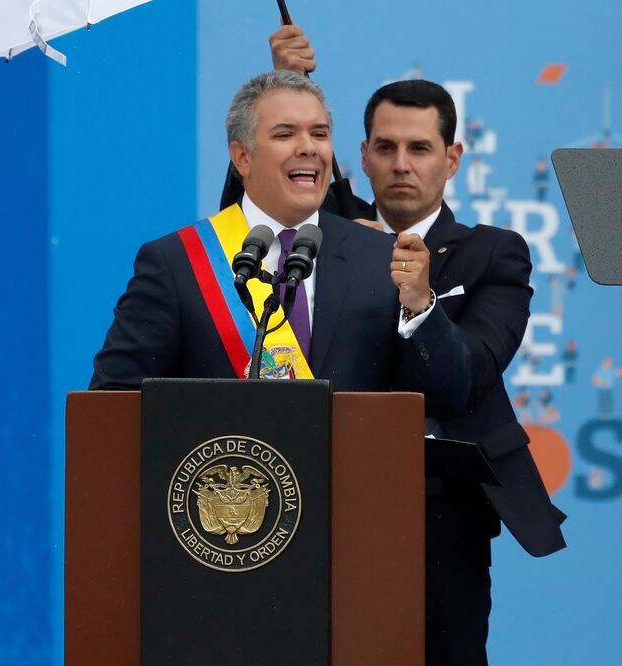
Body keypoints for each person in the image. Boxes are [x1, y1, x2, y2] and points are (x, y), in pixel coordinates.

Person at [267, 29, 566, 662]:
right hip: (321, 499)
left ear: (452, 159)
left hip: (442, 515)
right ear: (365, 157)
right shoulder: (325, 229)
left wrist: (422, 303)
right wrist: (285, 85)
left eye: (420, 148)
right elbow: (250, 226)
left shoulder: (494, 252)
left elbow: (465, 381)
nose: (402, 163)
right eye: (386, 148)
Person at [91, 71, 468, 422]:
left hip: (352, 489)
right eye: (285, 134)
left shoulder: (379, 256)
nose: (309, 148)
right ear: (242, 156)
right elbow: (113, 404)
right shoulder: (178, 262)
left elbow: (449, 399)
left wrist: (421, 308)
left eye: (320, 134)